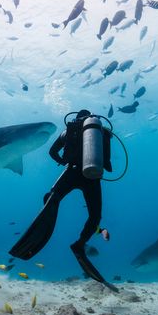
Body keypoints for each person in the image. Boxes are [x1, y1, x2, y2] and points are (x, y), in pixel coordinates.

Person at [10, 109, 117, 291]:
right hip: (92, 177)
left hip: (71, 171)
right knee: (95, 216)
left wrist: (63, 161)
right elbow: (107, 163)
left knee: (53, 197)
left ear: (77, 118)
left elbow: (52, 152)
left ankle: (47, 214)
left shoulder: (69, 130)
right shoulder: (101, 133)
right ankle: (80, 245)